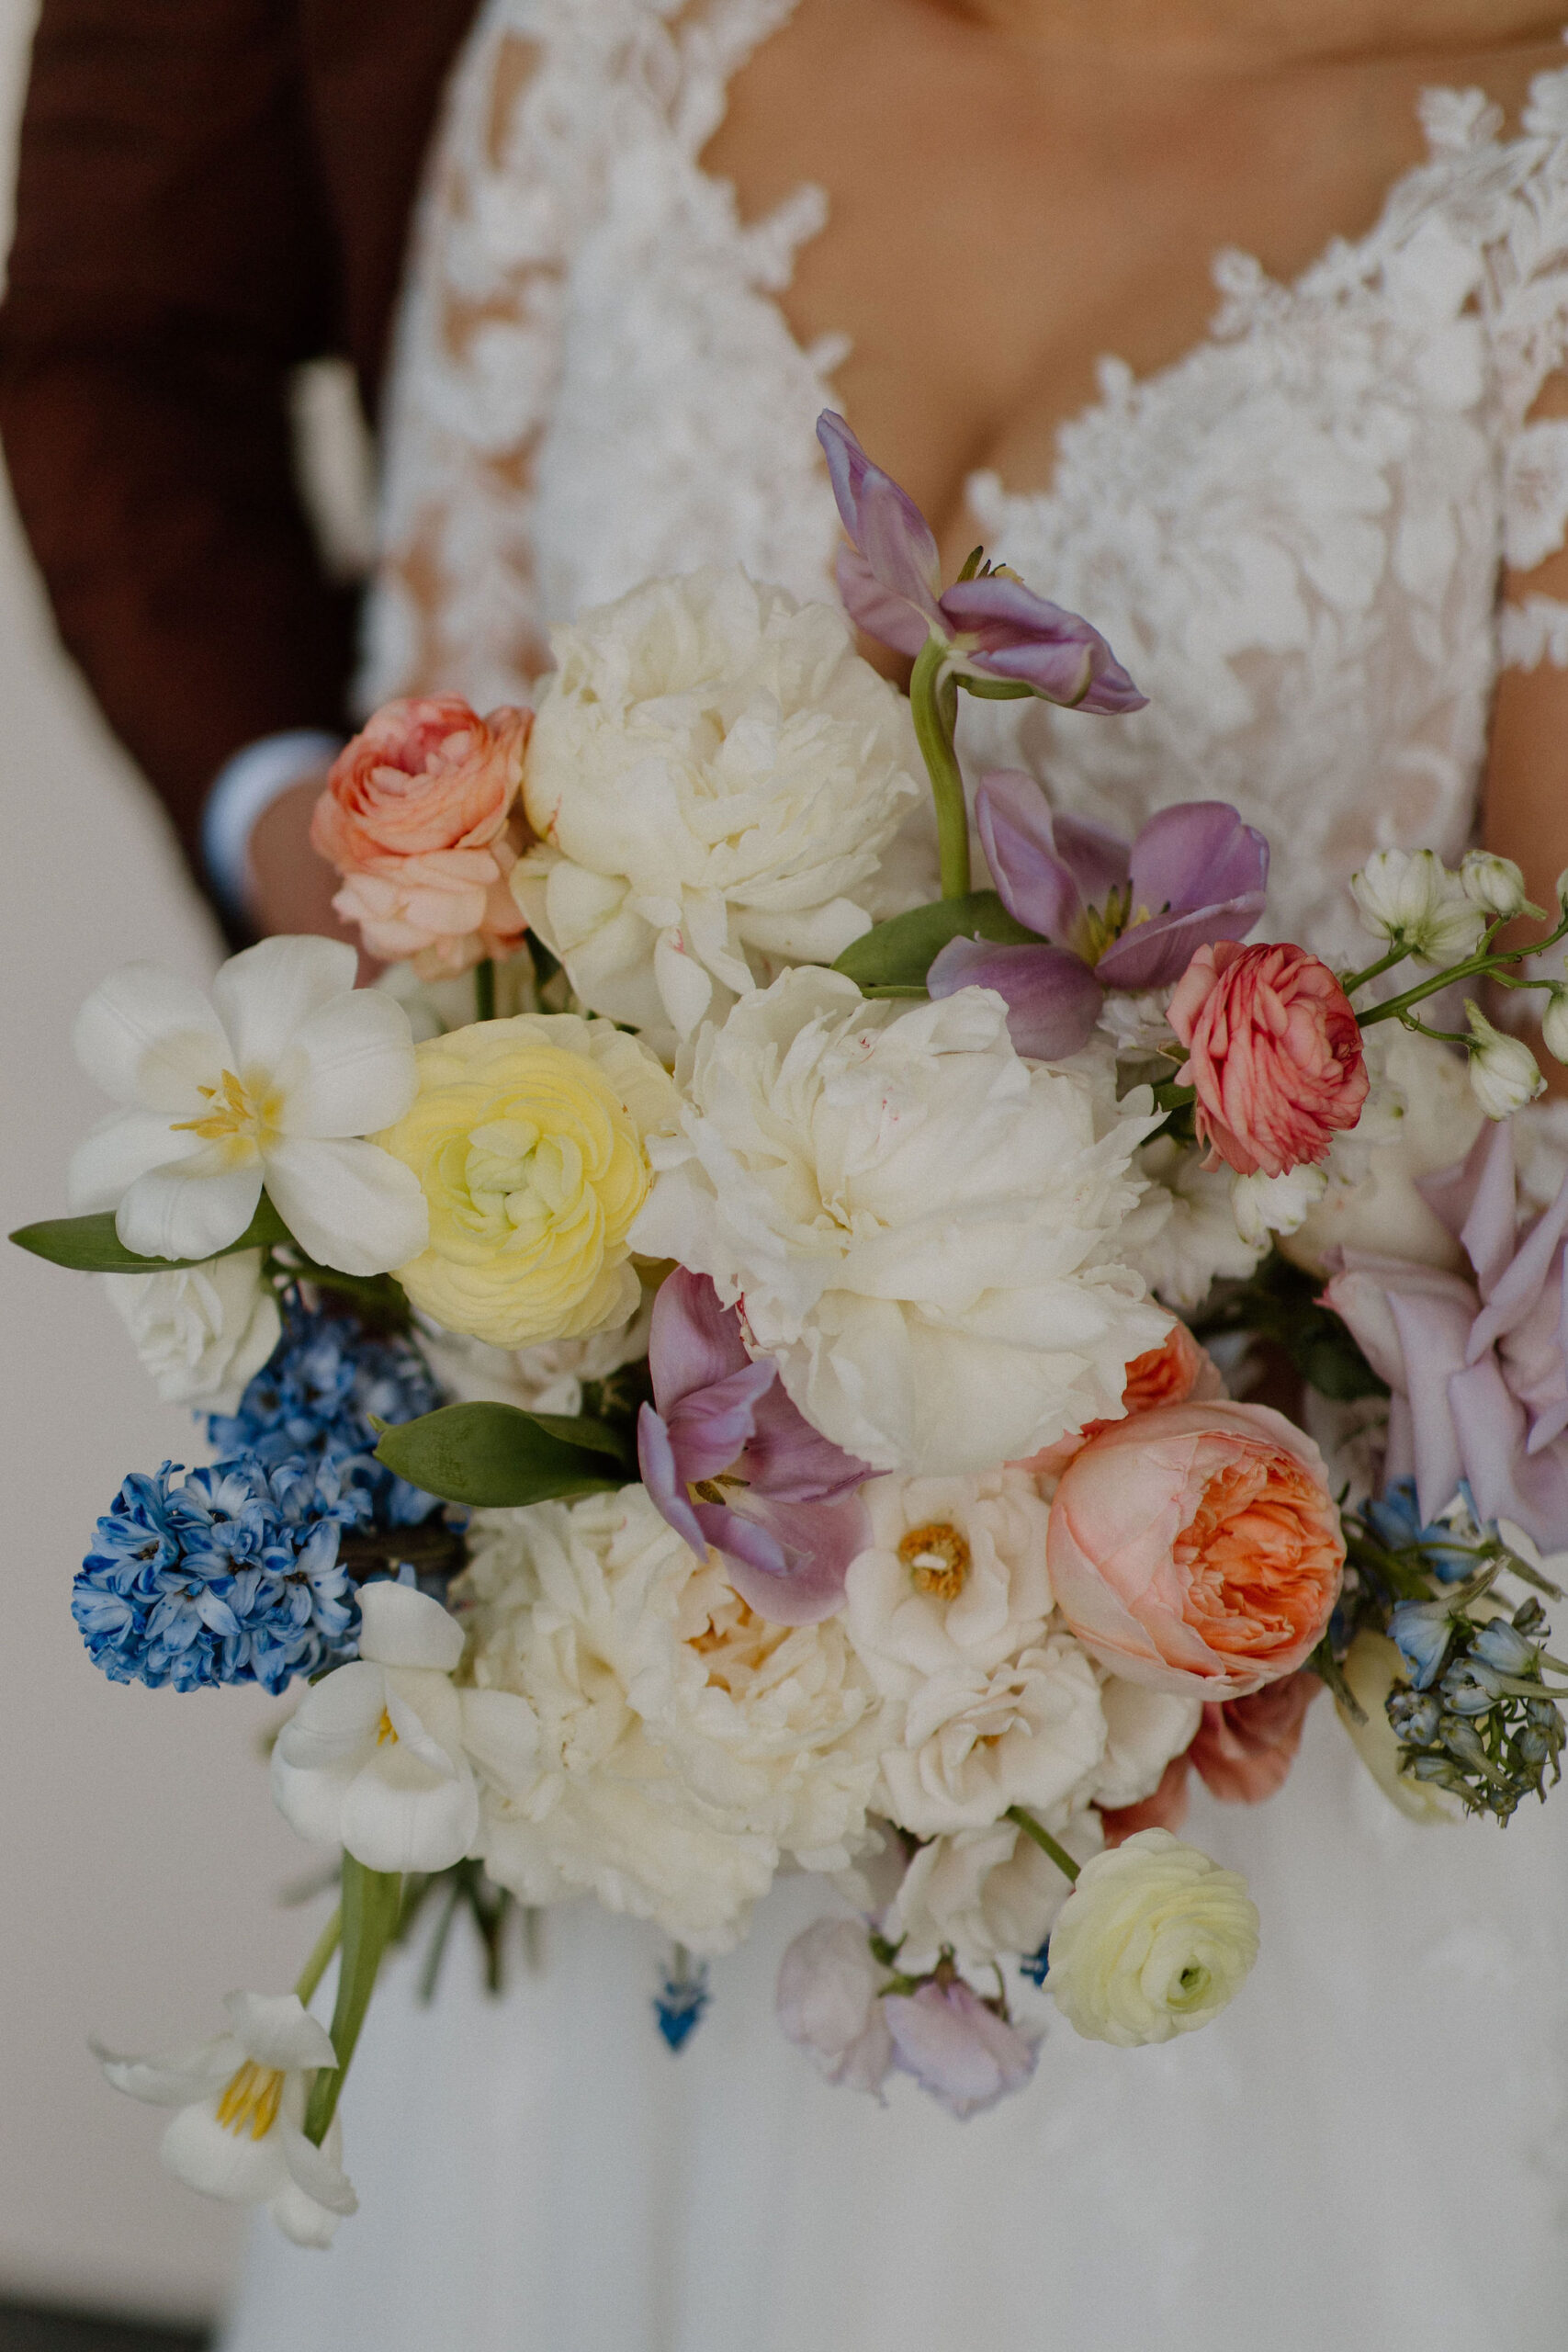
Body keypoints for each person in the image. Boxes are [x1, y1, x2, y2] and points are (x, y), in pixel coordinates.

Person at [8, 5, 1568, 2348]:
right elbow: (440, 878)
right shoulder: (605, 54)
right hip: (631, 1683)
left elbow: (1524, 1060)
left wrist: (1084, 1516)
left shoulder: (1514, 185)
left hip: (1197, 1725)